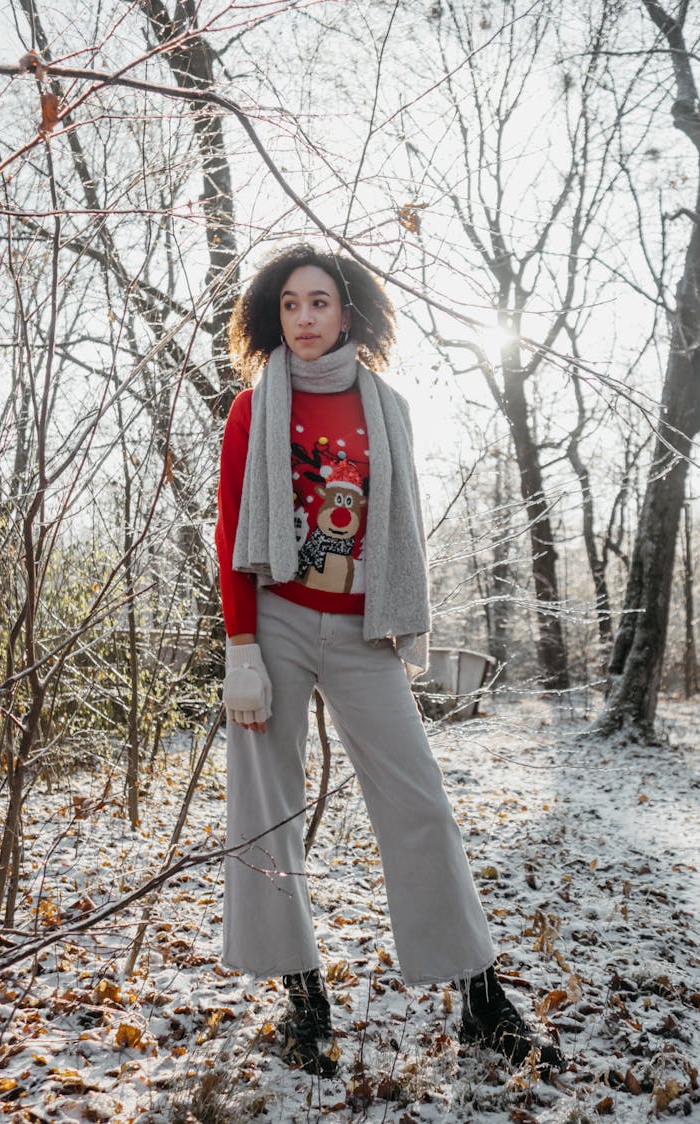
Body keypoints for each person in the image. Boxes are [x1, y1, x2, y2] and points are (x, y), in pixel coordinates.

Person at [214, 243, 563, 1077]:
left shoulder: (386, 407)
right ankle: (304, 1000)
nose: (304, 319)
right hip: (280, 619)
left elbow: (396, 528)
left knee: (421, 807)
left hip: (366, 632)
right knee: (267, 813)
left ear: (349, 312)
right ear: (273, 316)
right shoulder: (249, 411)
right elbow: (232, 537)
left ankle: (482, 1000)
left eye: (320, 303)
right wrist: (242, 650)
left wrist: (401, 620)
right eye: (290, 304)